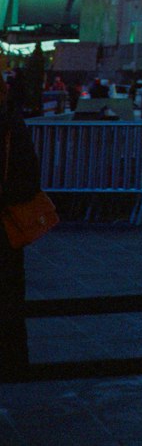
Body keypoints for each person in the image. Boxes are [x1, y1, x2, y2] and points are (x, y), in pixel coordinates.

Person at [1, 74, 42, 379]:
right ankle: (13, 360)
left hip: (4, 226)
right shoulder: (13, 124)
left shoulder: (11, 126)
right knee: (10, 298)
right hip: (7, 228)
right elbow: (29, 179)